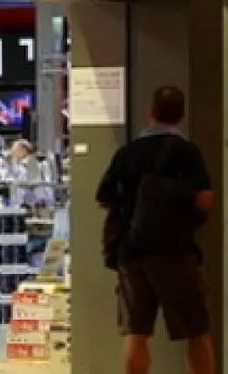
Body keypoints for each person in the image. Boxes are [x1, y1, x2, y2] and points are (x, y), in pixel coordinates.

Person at [96, 86, 215, 374]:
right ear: (181, 115)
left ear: (151, 113)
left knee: (136, 332)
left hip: (132, 252)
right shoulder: (187, 152)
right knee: (196, 330)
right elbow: (205, 198)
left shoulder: (128, 152)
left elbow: (103, 197)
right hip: (177, 252)